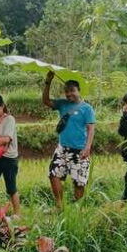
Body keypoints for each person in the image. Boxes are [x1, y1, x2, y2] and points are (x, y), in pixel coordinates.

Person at [43, 71, 96, 209]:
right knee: (53, 174)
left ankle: (78, 209)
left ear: (79, 91)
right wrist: (48, 82)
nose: (68, 94)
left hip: (80, 150)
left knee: (78, 182)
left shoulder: (87, 108)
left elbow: (91, 129)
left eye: (72, 90)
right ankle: (60, 206)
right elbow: (46, 101)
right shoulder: (62, 104)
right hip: (62, 148)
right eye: (66, 91)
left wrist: (87, 148)